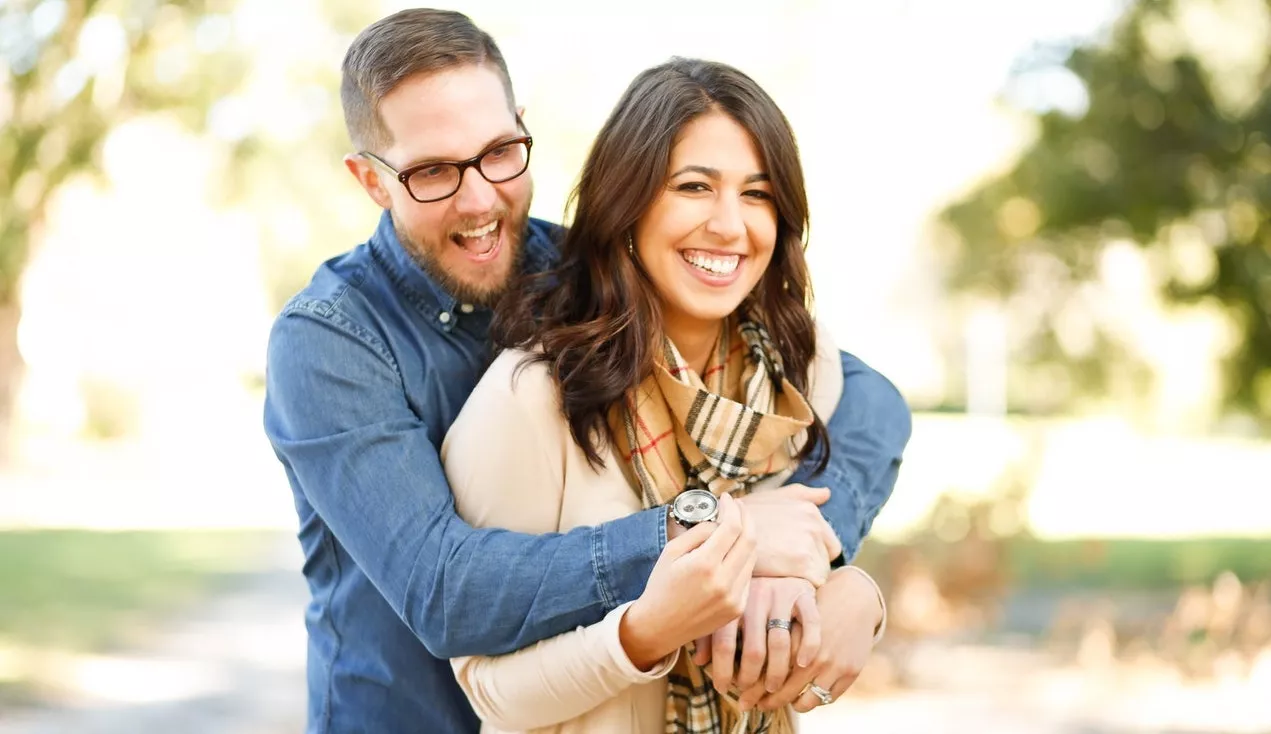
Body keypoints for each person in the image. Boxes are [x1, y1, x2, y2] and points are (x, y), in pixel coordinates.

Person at [262, 9, 912, 734]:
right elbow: (445, 590)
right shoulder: (330, 341)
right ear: (371, 181)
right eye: (432, 172)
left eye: (500, 152)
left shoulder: (583, 273)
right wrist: (714, 536)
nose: (480, 200)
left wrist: (819, 559)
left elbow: (870, 400)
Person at [441, 56, 887, 734]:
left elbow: (803, 543)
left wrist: (856, 592)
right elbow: (490, 691)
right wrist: (644, 632)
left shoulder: (801, 368)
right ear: (628, 201)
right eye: (693, 187)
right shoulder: (530, 399)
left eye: (757, 194)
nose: (729, 226)